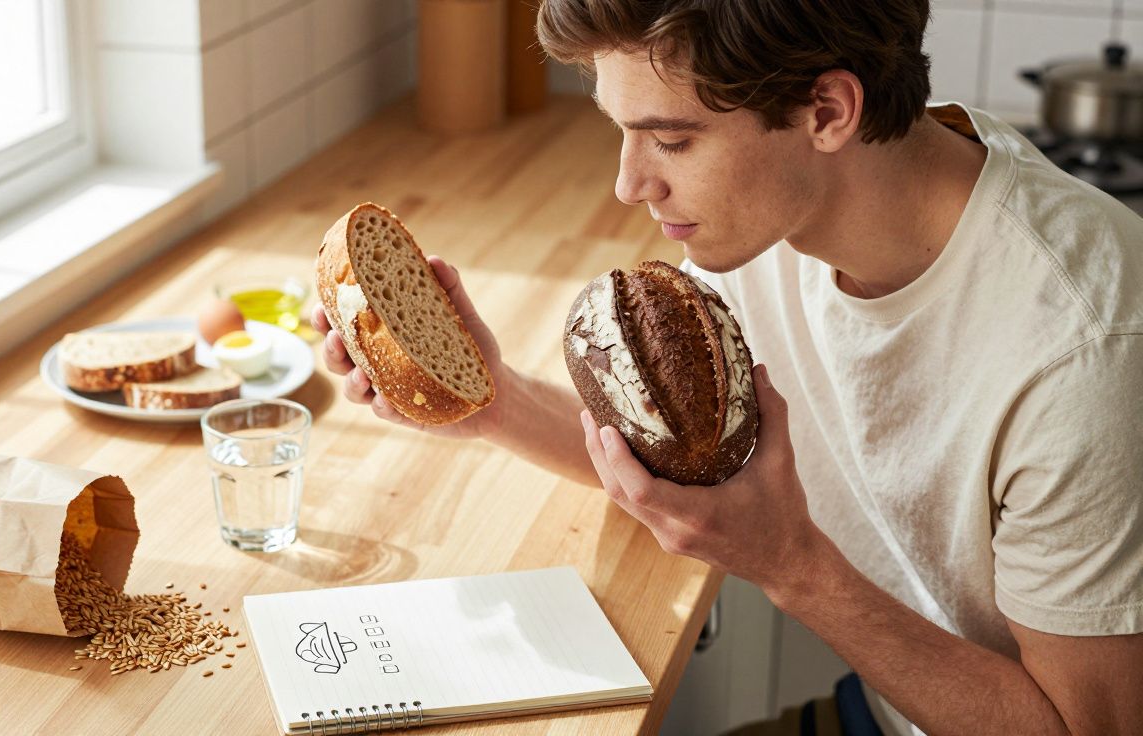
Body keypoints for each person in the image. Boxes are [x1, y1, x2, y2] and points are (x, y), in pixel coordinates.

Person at [311, 1, 1143, 733]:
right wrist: (488, 402)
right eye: (623, 132)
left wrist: (794, 568)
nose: (630, 184)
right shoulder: (774, 213)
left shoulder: (1084, 348)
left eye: (671, 139)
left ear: (826, 110)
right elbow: (674, 457)